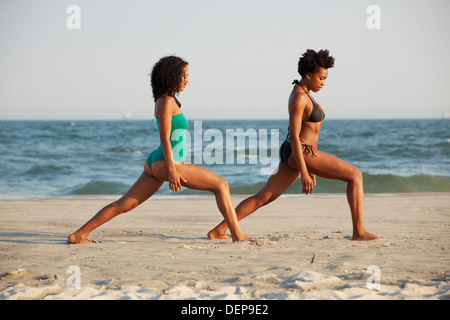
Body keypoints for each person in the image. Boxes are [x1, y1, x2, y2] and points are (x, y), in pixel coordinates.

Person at [68, 55, 250, 244]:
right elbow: (164, 137)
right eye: (184, 75)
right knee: (221, 185)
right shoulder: (166, 101)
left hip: (159, 161)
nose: (187, 80)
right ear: (172, 75)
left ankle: (79, 235)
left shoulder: (166, 100)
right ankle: (237, 235)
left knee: (126, 204)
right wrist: (172, 169)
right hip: (166, 161)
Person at [208, 49, 378, 241]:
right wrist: (304, 170)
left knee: (264, 197)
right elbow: (296, 136)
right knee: (355, 175)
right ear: (308, 75)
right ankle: (359, 232)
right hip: (300, 150)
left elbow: (309, 130)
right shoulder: (299, 97)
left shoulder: (306, 92)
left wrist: (310, 167)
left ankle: (219, 230)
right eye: (321, 78)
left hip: (299, 153)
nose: (323, 83)